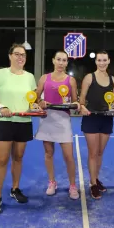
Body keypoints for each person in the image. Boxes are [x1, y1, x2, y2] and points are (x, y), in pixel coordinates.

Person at [0, 43, 37, 215]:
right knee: (2, 160)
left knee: (19, 157)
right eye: (17, 54)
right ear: (10, 56)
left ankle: (15, 189)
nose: (21, 57)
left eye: (23, 55)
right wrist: (1, 106)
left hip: (24, 121)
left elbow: (32, 99)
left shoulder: (30, 77)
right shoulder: (0, 74)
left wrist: (35, 105)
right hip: (5, 121)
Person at [35, 51, 80, 200]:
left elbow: (75, 102)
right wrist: (40, 103)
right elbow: (35, 99)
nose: (61, 63)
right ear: (53, 60)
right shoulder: (44, 78)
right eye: (58, 59)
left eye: (64, 60)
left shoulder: (71, 80)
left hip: (63, 120)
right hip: (47, 119)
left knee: (69, 156)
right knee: (48, 153)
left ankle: (72, 185)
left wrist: (72, 105)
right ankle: (52, 182)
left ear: (67, 63)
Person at [79, 50, 114, 199]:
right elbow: (81, 100)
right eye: (99, 60)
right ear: (96, 62)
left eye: (104, 60)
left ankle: (96, 178)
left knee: (100, 153)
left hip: (106, 119)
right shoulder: (88, 78)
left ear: (108, 61)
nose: (102, 63)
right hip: (91, 118)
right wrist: (82, 107)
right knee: (93, 153)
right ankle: (92, 184)